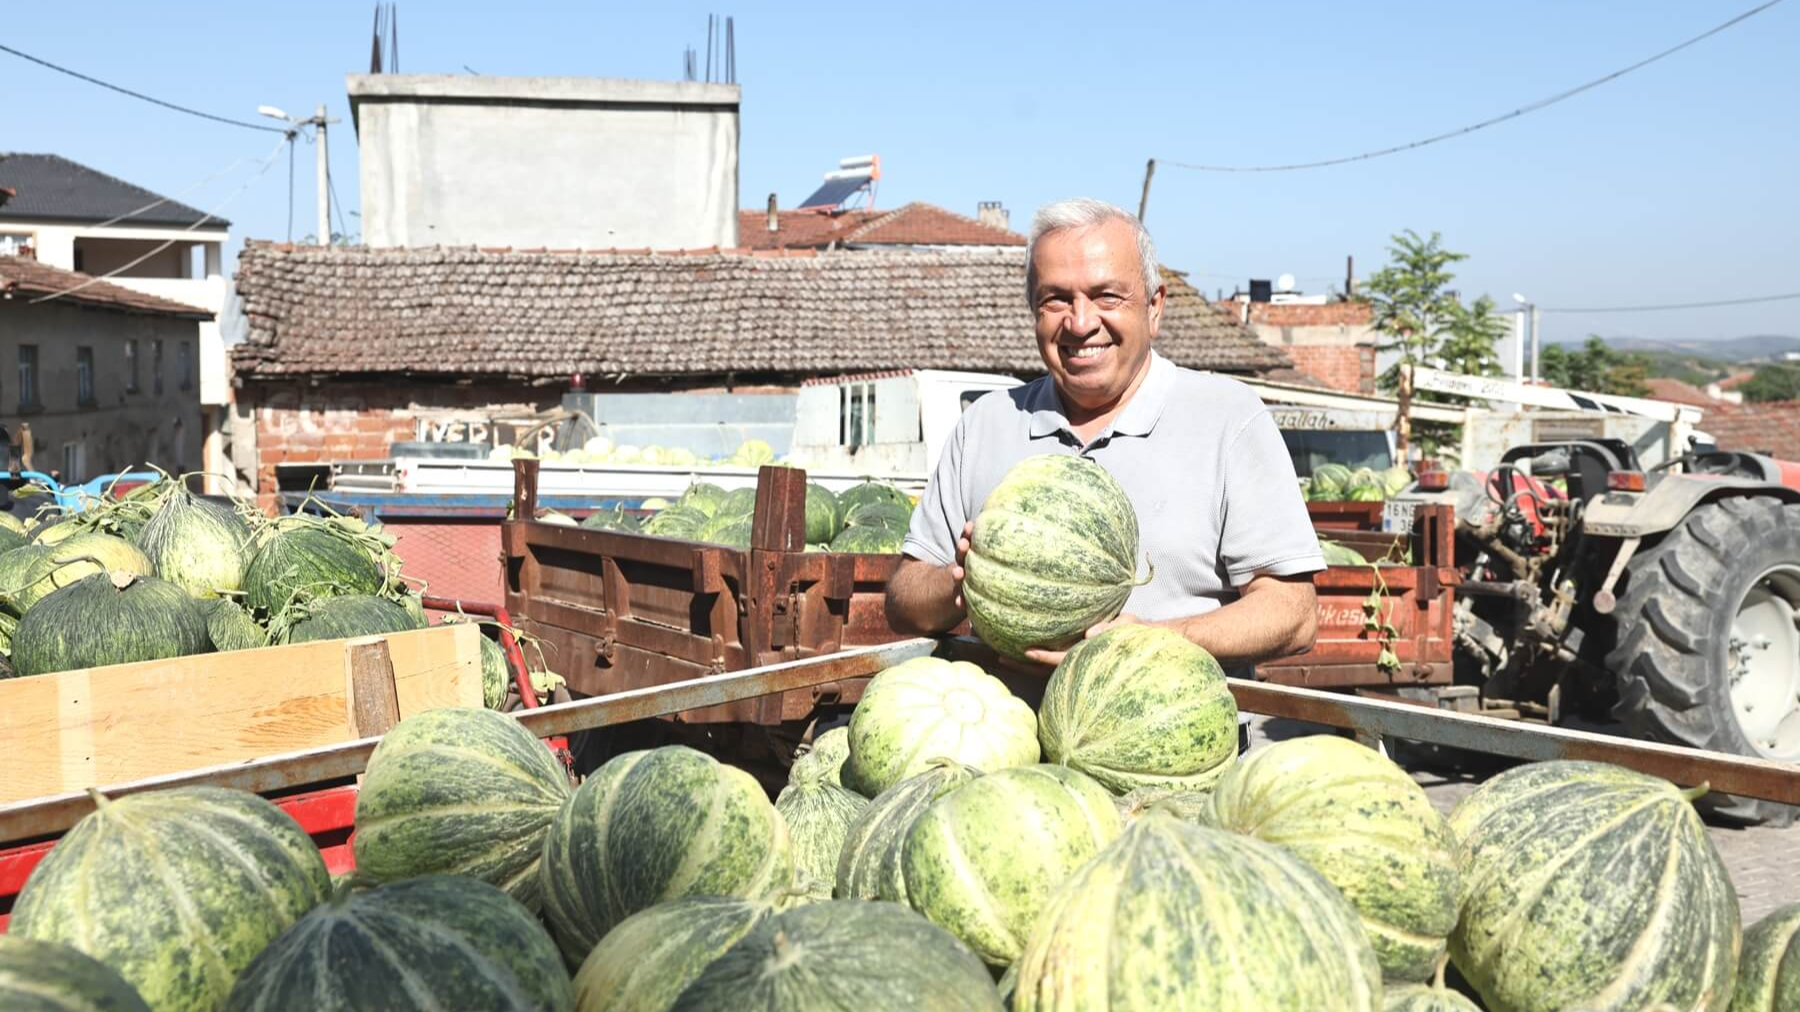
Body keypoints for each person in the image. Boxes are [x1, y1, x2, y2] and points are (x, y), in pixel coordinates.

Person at [885, 197, 1322, 672]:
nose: (1081, 322)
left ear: (1154, 308)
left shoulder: (1228, 420)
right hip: (1017, 745)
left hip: (1168, 739)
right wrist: (965, 581)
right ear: (1034, 310)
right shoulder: (984, 424)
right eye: (1056, 299)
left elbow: (1294, 614)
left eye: (1107, 296)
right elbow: (904, 600)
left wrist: (1153, 641)